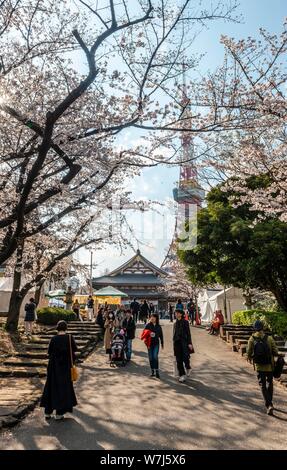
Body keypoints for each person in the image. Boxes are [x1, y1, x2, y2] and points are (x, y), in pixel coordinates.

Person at [40, 320, 78, 420]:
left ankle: (48, 412)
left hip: (53, 367)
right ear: (66, 328)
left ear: (57, 327)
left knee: (51, 387)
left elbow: (49, 353)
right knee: (63, 389)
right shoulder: (70, 338)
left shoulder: (54, 338)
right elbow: (74, 351)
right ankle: (59, 413)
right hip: (65, 367)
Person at [247, 320, 278, 415]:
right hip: (269, 365)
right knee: (270, 383)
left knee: (262, 385)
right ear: (263, 327)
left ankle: (269, 405)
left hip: (259, 366)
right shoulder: (269, 338)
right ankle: (270, 403)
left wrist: (249, 357)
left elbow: (249, 352)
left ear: (254, 328)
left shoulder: (252, 339)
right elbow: (275, 351)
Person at [173, 309, 193, 383]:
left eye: (177, 313)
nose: (176, 314)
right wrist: (174, 345)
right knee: (179, 360)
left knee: (185, 357)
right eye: (175, 313)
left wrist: (190, 343)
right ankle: (182, 375)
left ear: (181, 314)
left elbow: (188, 333)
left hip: (184, 342)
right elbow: (174, 335)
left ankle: (188, 367)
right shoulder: (175, 323)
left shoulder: (185, 322)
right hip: (177, 343)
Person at [143, 313, 164, 379]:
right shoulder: (148, 325)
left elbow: (161, 335)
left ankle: (157, 371)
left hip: (156, 344)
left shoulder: (158, 326)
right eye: (151, 317)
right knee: (151, 357)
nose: (152, 318)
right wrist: (148, 334)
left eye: (154, 317)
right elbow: (144, 333)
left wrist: (162, 343)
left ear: (156, 319)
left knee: (155, 356)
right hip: (149, 344)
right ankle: (152, 371)